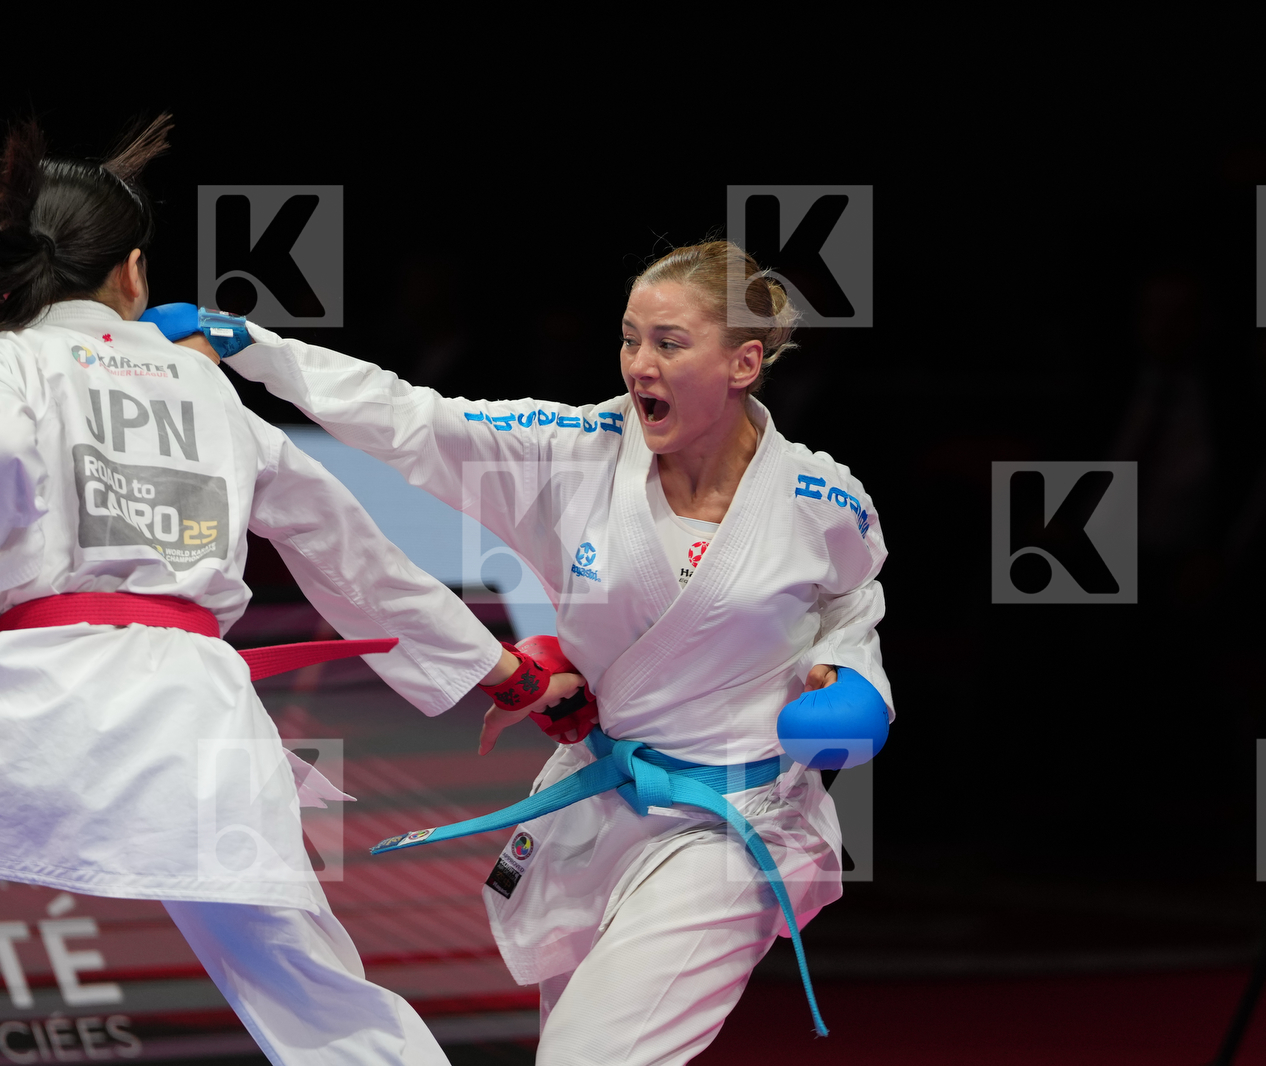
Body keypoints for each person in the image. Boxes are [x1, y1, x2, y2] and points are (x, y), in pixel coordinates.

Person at [220, 240, 894, 1064]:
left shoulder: (824, 500)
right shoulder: (570, 453)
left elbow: (854, 603)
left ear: (743, 362)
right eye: (629, 337)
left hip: (736, 827)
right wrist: (255, 347)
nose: (639, 364)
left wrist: (858, 680)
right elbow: (413, 420)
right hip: (598, 806)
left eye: (669, 344)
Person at [0, 116, 563, 1065]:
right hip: (189, 717)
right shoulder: (207, 389)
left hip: (30, 699)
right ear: (133, 273)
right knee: (310, 987)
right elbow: (352, 550)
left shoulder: (13, 366)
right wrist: (504, 671)